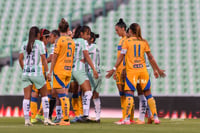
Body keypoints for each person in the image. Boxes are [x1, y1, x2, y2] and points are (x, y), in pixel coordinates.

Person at [106, 23, 166, 125]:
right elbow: (151, 58)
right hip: (143, 71)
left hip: (132, 72)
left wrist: (114, 68)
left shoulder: (127, 41)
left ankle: (127, 119)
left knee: (129, 94)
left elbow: (121, 57)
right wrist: (158, 69)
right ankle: (155, 118)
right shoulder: (144, 42)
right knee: (148, 94)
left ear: (130, 31)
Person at [19, 26, 54, 126]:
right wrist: (47, 73)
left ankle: (27, 120)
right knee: (44, 95)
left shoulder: (24, 43)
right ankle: (46, 119)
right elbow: (43, 59)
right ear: (38, 34)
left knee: (26, 97)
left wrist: (24, 69)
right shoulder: (40, 44)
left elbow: (20, 59)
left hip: (26, 73)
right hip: (37, 73)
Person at [47, 18, 75, 126]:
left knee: (62, 96)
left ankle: (66, 119)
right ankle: (63, 117)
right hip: (68, 70)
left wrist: (50, 72)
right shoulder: (71, 41)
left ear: (59, 29)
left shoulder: (58, 41)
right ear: (68, 28)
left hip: (59, 70)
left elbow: (55, 57)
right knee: (64, 94)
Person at [70, 25, 98, 122]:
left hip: (71, 69)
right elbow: (86, 55)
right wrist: (94, 69)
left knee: (73, 92)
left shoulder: (72, 41)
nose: (89, 36)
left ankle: (76, 115)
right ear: (81, 34)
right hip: (79, 69)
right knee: (88, 91)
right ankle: (84, 115)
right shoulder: (83, 42)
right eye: (87, 34)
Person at [86, 32, 102, 123]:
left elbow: (83, 54)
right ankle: (98, 117)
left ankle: (85, 115)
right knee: (96, 95)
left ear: (91, 39)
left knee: (87, 94)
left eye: (88, 37)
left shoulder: (90, 47)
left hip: (92, 72)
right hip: (99, 73)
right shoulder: (97, 47)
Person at [114, 18, 127, 124]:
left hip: (124, 70)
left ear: (123, 28)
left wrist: (125, 68)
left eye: (117, 30)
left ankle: (128, 117)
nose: (116, 32)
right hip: (118, 69)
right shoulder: (121, 39)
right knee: (122, 94)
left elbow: (127, 56)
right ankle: (125, 117)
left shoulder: (127, 39)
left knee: (127, 94)